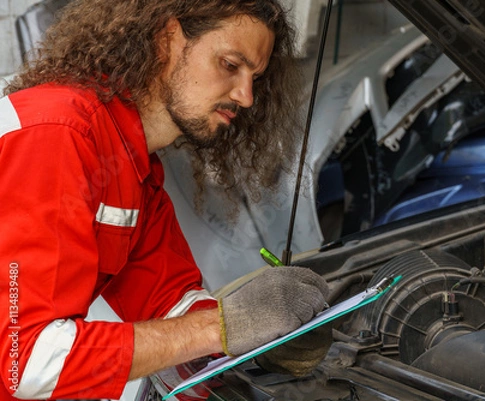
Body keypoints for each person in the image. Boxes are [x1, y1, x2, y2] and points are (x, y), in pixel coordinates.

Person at [0, 0, 330, 399]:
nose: (245, 97)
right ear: (166, 40)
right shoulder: (54, 136)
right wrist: (220, 329)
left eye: (254, 78)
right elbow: (27, 362)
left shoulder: (130, 163)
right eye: (230, 65)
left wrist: (259, 335)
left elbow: (170, 302)